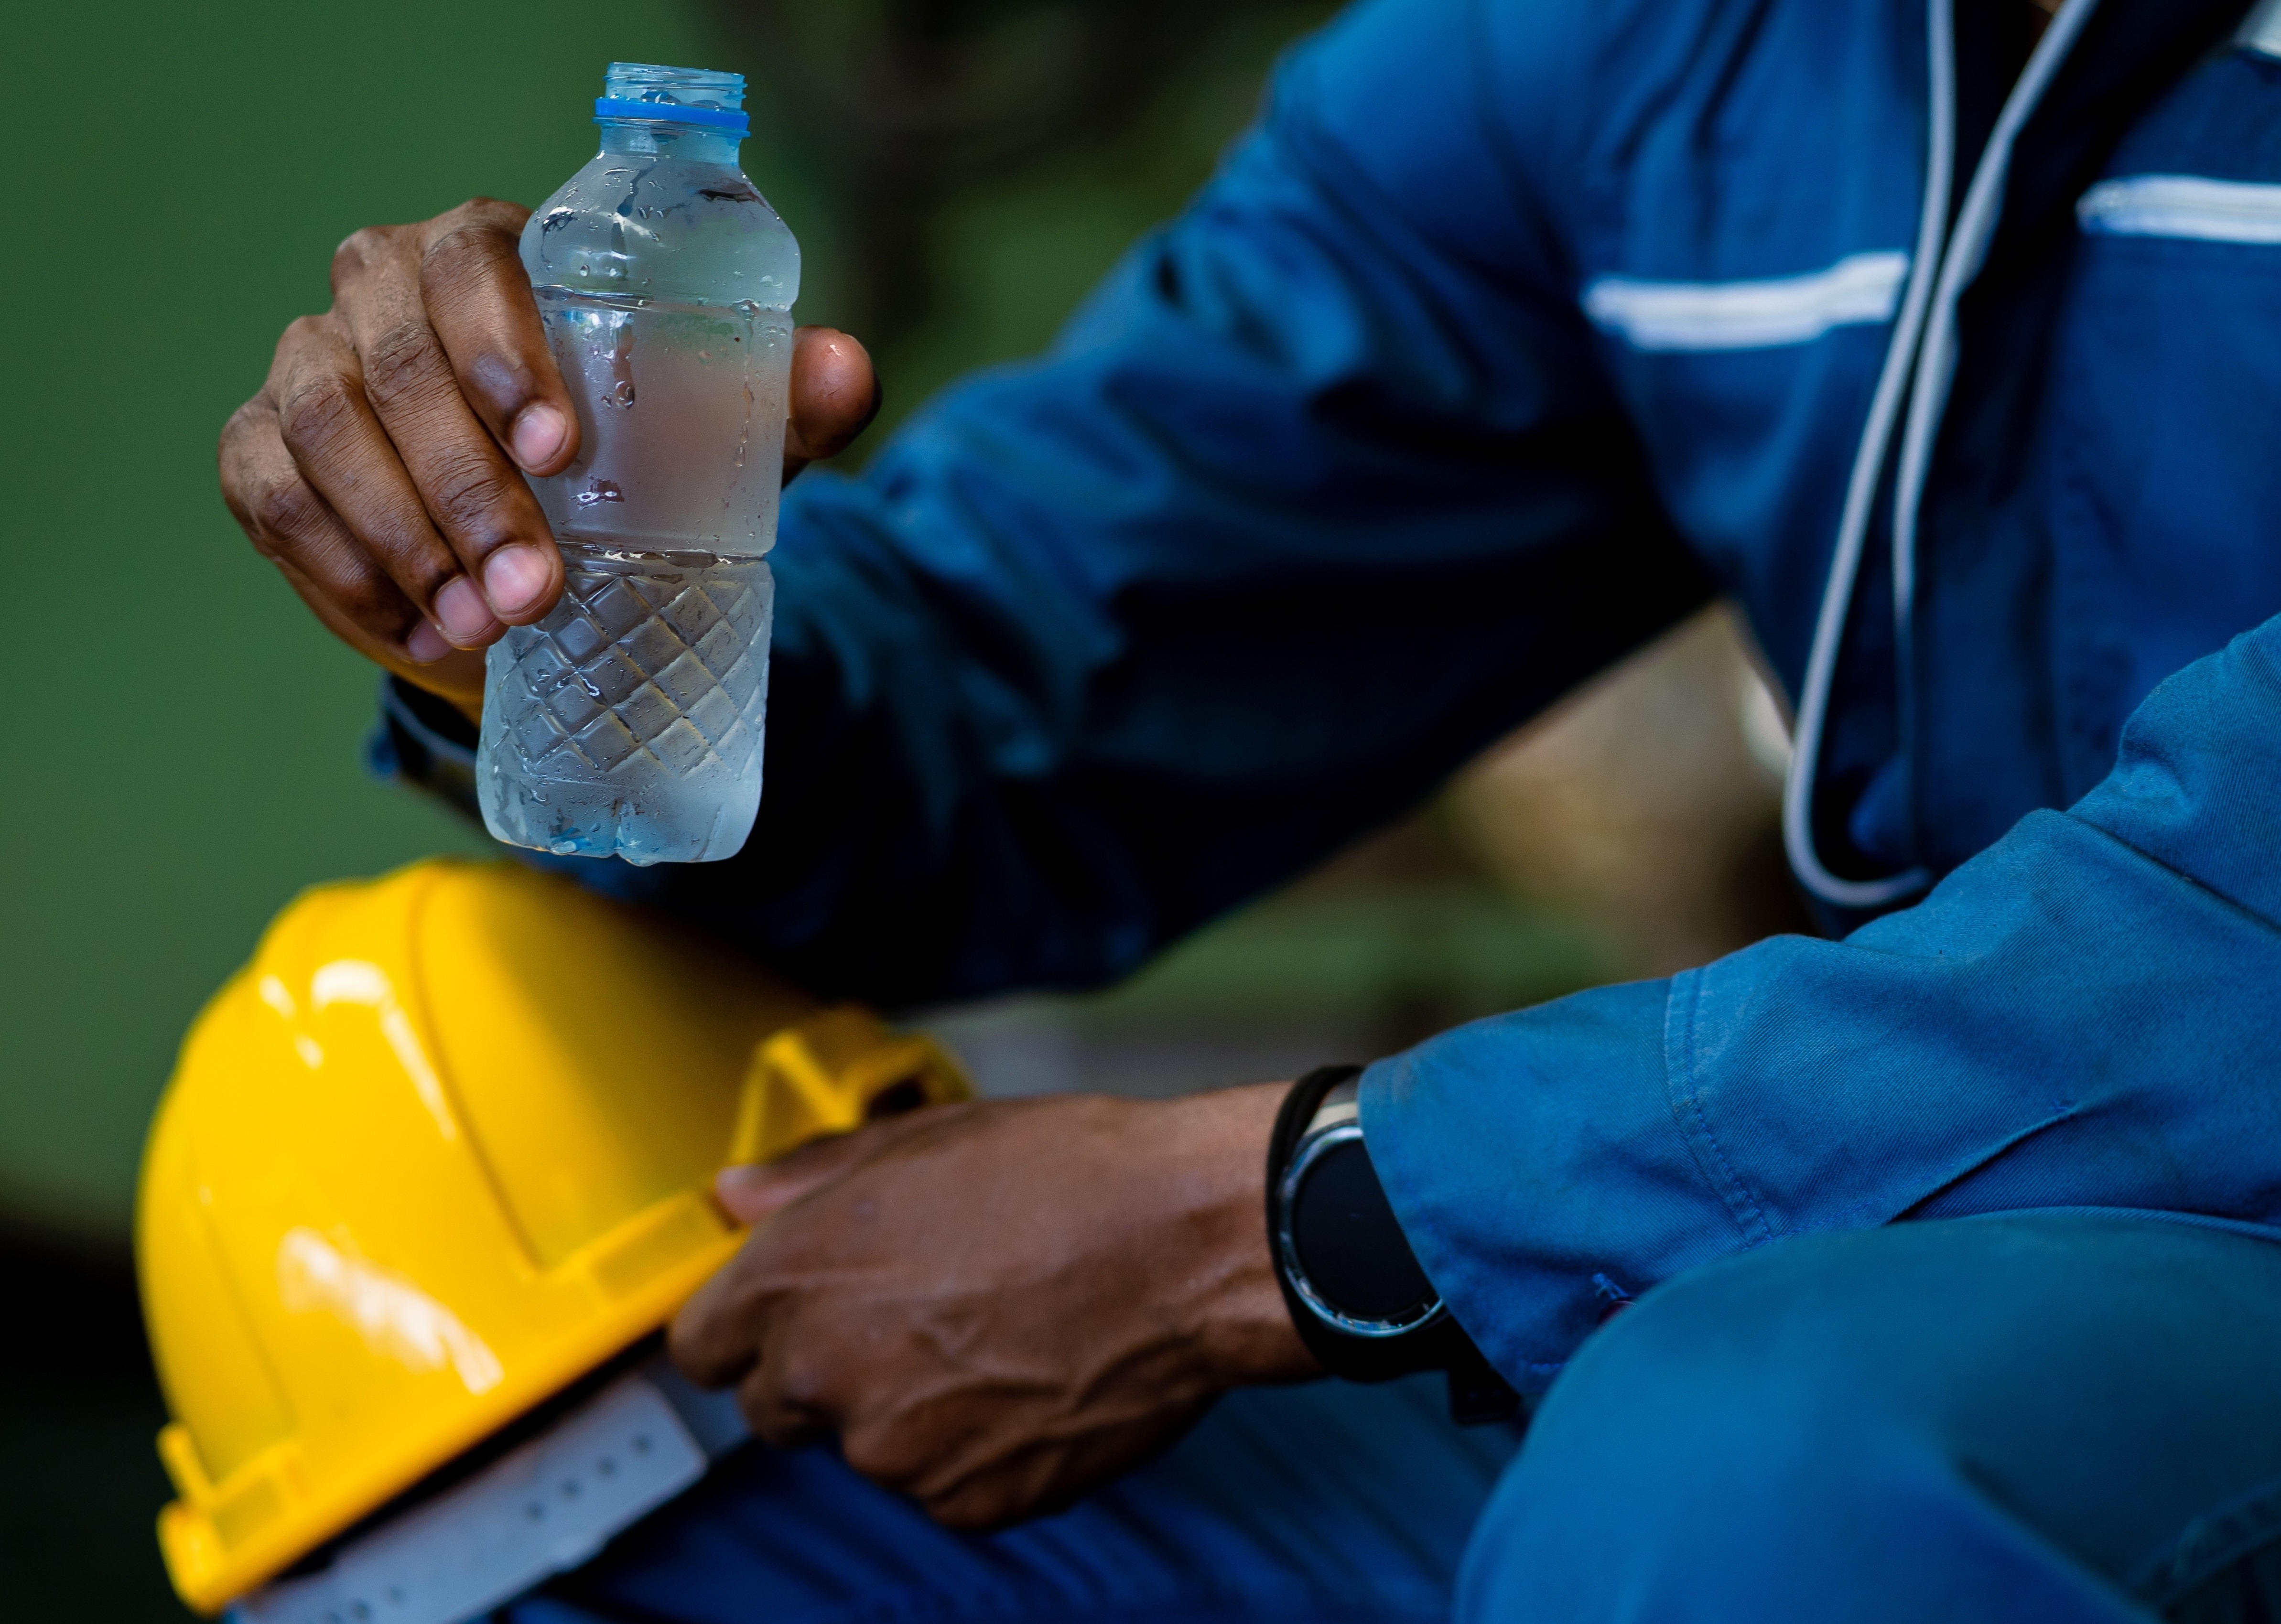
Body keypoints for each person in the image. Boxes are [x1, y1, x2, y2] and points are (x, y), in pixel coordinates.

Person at [218, 0, 2281, 1616]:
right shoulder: (1632, 49)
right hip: (1897, 1249)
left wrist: (1282, 1214)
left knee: (1754, 1464)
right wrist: (547, 602)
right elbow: (1036, 664)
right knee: (563, 1508)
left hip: (2083, 1291)